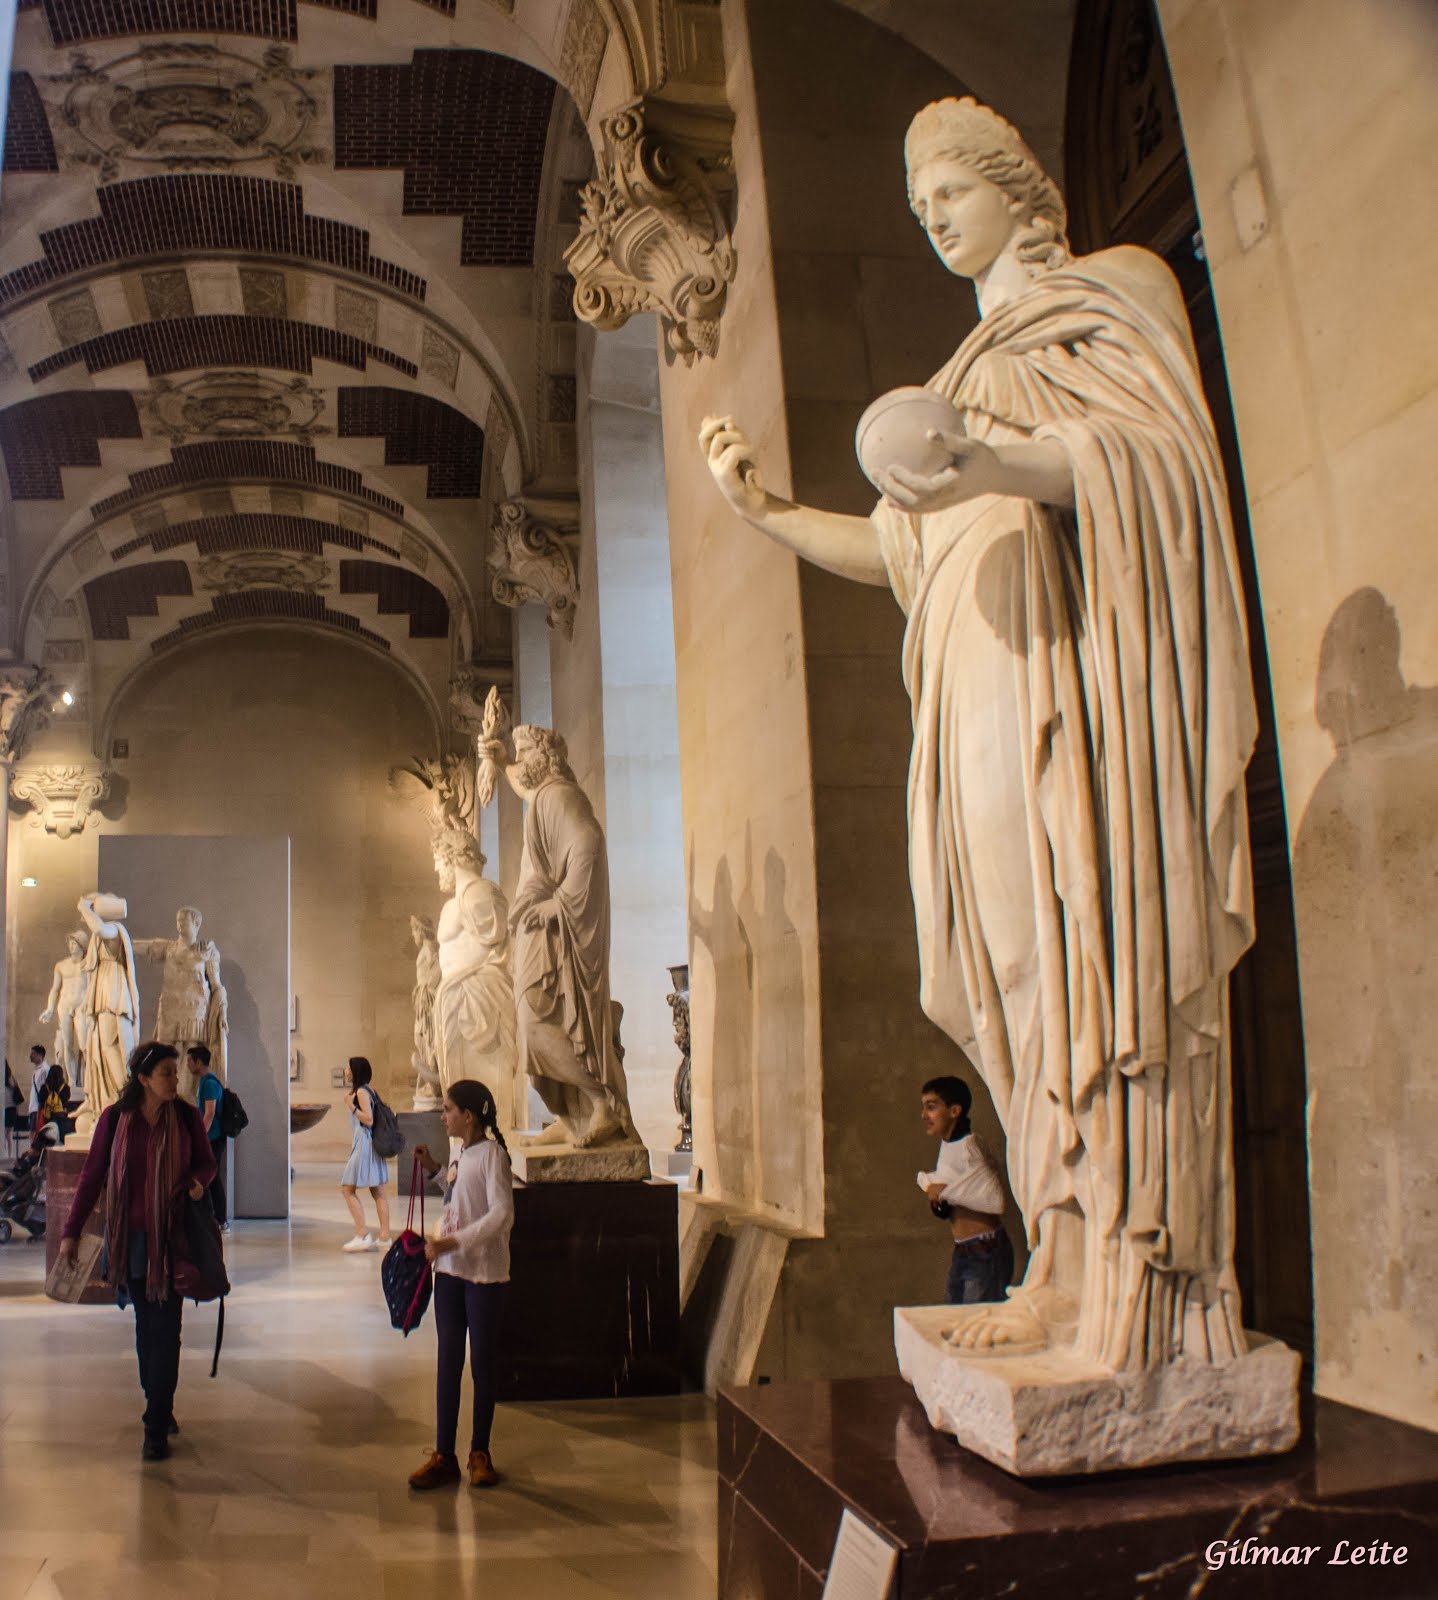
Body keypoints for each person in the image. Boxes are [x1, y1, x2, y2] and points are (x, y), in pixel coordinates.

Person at [700, 97, 1258, 1373]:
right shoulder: (952, 379)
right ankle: (1063, 1253)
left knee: (1086, 952)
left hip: (1066, 686)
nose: (932, 215)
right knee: (1015, 972)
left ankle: (1143, 1281)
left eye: (948, 188)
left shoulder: (1112, 293)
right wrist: (768, 510)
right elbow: (896, 552)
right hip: (963, 698)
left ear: (1019, 187)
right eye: (915, 205)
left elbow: (1159, 460)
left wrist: (995, 470)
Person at [58, 1041, 216, 1460]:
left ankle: (155, 1423)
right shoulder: (115, 1120)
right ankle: (158, 1401)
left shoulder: (184, 1117)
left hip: (173, 1240)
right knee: (147, 1328)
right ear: (143, 1079)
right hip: (131, 1242)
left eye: (175, 1071)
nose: (174, 1078)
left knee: (168, 1330)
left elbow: (206, 1161)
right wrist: (70, 1232)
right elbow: (92, 1177)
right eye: (165, 1072)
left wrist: (200, 1182)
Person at [407, 1079, 514, 1492]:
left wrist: (453, 1241)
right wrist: (435, 1168)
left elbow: (500, 1214)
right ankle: (444, 1455)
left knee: (482, 1363)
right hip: (449, 1271)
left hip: (483, 1274)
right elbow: (457, 1196)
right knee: (448, 1362)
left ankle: (480, 1452)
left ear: (468, 1116)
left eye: (448, 1109)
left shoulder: (493, 1156)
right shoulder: (460, 1152)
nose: (442, 1115)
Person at [917, 1076, 1013, 1306]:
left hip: (985, 1252)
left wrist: (945, 1191)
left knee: (973, 1321)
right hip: (964, 1252)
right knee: (956, 1317)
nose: (924, 1116)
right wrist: (940, 1200)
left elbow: (994, 1199)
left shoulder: (972, 1145)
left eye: (931, 1107)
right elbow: (955, 1197)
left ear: (954, 1111)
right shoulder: (948, 1145)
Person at [339, 1056, 391, 1251]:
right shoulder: (368, 1090)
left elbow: (368, 1120)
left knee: (347, 1189)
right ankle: (384, 1236)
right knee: (377, 1191)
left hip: (364, 1144)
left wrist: (351, 1105)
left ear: (355, 1071)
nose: (345, 1070)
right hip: (368, 1144)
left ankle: (363, 1234)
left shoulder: (361, 1092)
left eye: (348, 1067)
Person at [189, 1046, 227, 1228]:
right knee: (211, 1178)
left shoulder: (210, 1083)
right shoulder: (205, 1081)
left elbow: (209, 1113)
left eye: (190, 1061)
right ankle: (215, 1218)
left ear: (198, 1062)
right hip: (210, 1137)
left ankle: (221, 1219)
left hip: (213, 1138)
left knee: (213, 1178)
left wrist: (200, 1138)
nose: (188, 1065)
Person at [25, 1044, 51, 1115]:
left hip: (38, 1109)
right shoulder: (37, 1070)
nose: (30, 1056)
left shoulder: (44, 1070)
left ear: (40, 1055)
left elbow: (44, 1090)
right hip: (34, 1107)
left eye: (33, 1053)